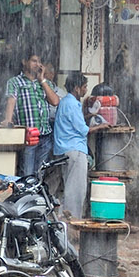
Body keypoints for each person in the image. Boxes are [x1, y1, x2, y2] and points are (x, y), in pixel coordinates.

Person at [3, 52, 59, 176]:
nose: (37, 65)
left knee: (40, 174)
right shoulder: (15, 82)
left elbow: (55, 101)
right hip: (28, 135)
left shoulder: (45, 83)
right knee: (27, 173)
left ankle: (36, 195)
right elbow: (11, 101)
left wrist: (42, 80)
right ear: (24, 61)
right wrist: (8, 120)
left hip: (45, 135)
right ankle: (27, 195)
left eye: (39, 62)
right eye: (34, 61)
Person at [53, 72, 96, 221]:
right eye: (84, 87)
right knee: (76, 190)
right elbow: (83, 130)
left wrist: (88, 117)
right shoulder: (72, 103)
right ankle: (73, 222)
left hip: (63, 149)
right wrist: (101, 126)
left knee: (68, 187)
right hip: (74, 149)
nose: (85, 90)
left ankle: (63, 221)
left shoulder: (65, 102)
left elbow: (73, 122)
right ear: (77, 88)